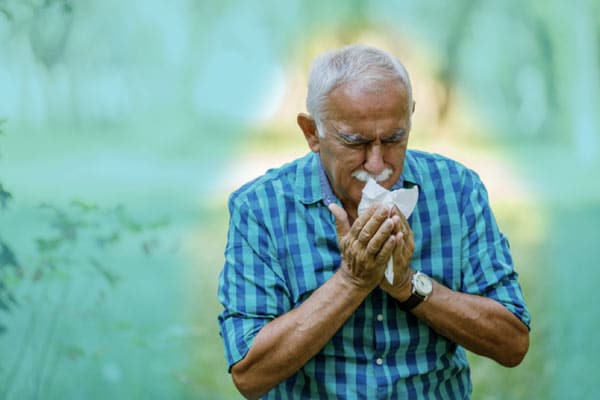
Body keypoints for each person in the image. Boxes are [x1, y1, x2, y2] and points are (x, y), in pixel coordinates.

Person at [217, 44, 530, 399]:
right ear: (311, 133)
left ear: (410, 117)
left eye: (395, 139)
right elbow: (249, 374)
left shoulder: (457, 190)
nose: (378, 163)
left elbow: (513, 342)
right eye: (356, 142)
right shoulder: (260, 208)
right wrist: (352, 281)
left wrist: (407, 285)